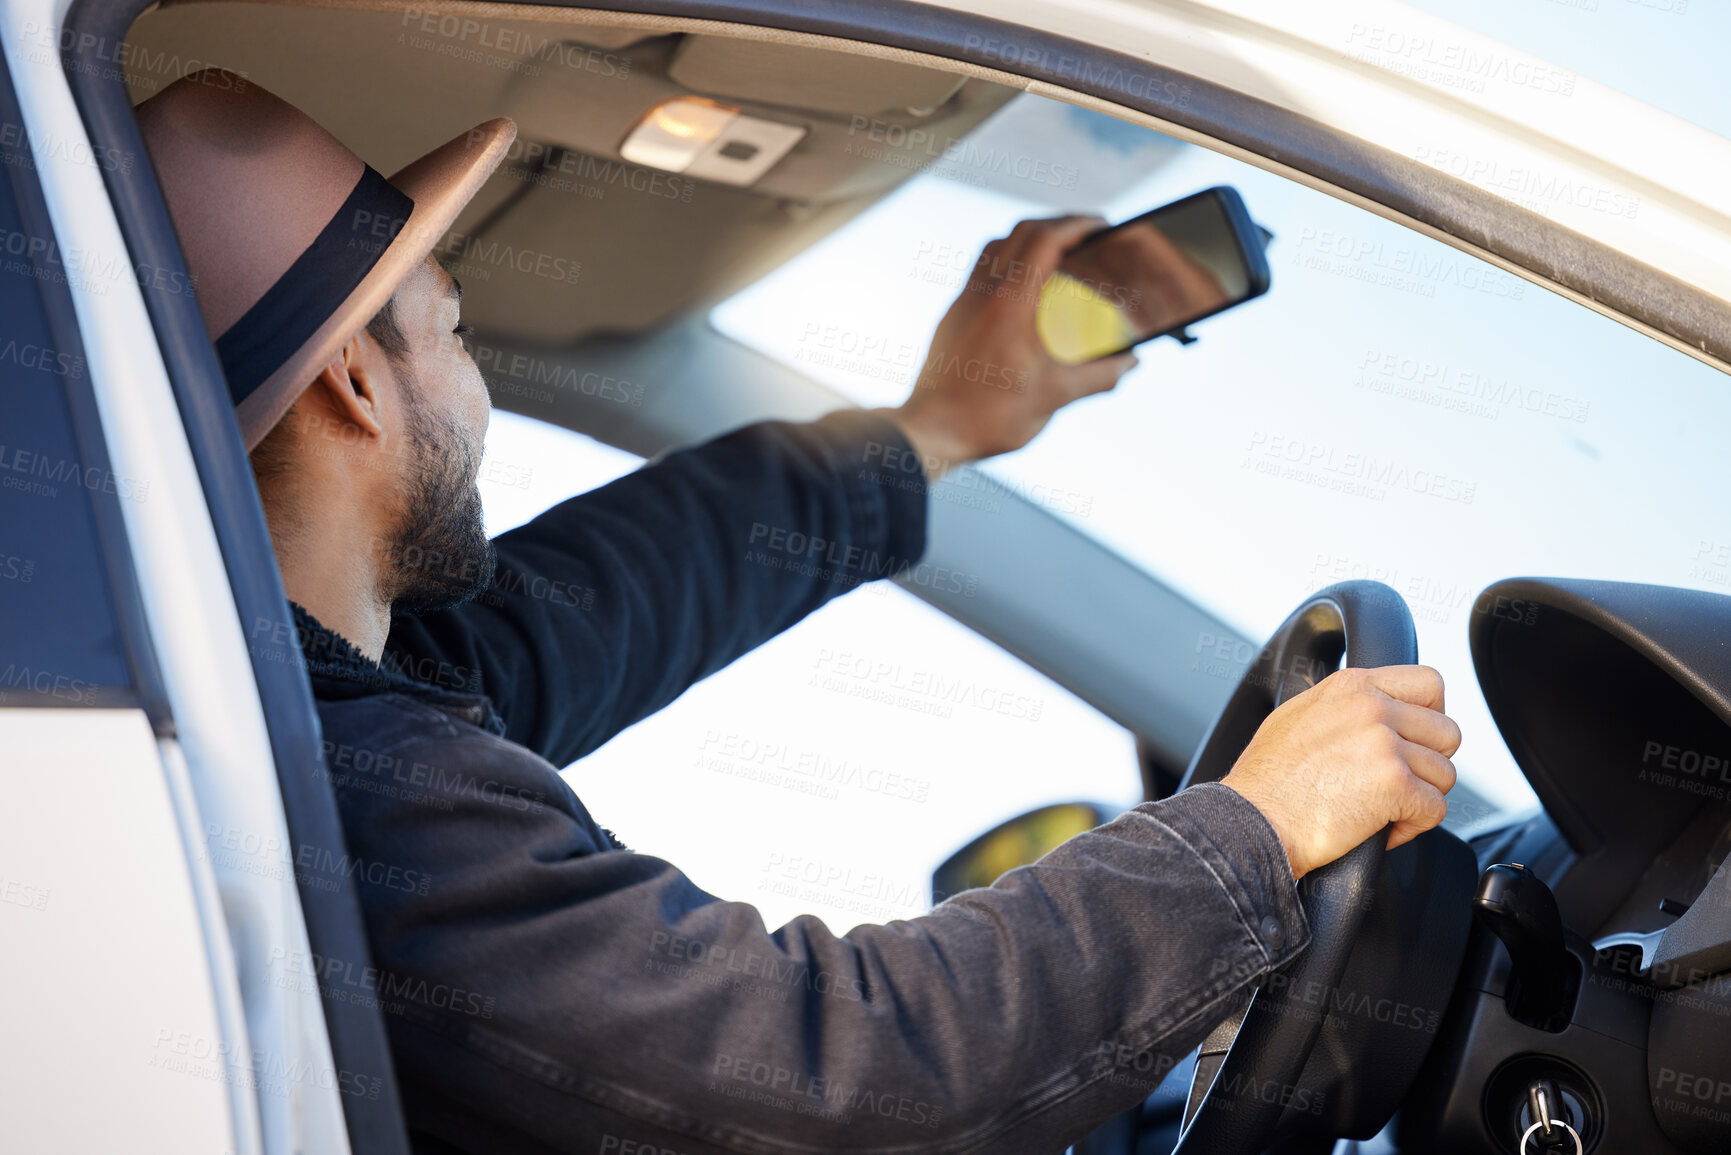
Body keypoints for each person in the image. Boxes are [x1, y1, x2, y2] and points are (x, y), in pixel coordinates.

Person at [136, 71, 1461, 1154]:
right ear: (359, 390)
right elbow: (843, 1079)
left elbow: (626, 590)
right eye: (455, 329)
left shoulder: (320, 698)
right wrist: (1255, 827)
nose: (474, 389)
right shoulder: (355, 794)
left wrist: (937, 424)